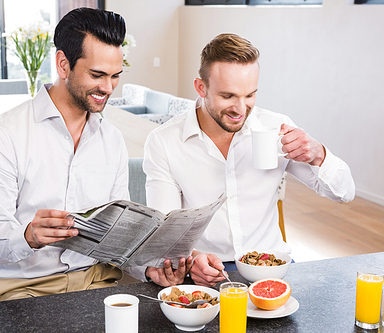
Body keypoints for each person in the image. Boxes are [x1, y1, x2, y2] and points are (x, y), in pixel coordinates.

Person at [141, 33, 355, 287]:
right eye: (228, 96)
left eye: (250, 95)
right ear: (201, 88)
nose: (241, 109)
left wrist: (319, 153)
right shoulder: (164, 141)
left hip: (272, 266)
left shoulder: (275, 128)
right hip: (205, 271)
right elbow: (167, 231)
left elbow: (344, 193)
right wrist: (193, 258)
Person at [0, 7, 130, 303]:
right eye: (97, 75)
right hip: (21, 289)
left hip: (96, 281)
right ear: (63, 64)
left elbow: (119, 232)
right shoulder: (4, 135)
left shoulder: (112, 140)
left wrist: (152, 267)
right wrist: (28, 235)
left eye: (115, 76)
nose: (108, 88)